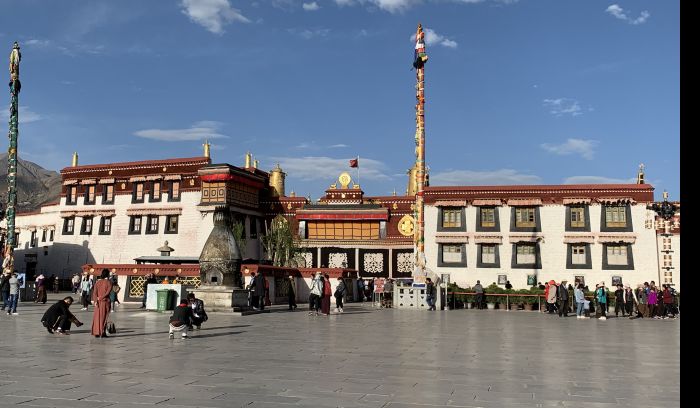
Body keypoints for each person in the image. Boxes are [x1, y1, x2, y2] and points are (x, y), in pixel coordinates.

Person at [91, 269, 113, 338]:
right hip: (105, 302)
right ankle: (102, 332)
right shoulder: (109, 282)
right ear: (108, 274)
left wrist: (95, 301)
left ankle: (96, 332)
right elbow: (107, 293)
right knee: (104, 318)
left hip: (97, 303)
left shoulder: (97, 282)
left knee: (97, 317)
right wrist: (100, 298)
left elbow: (94, 292)